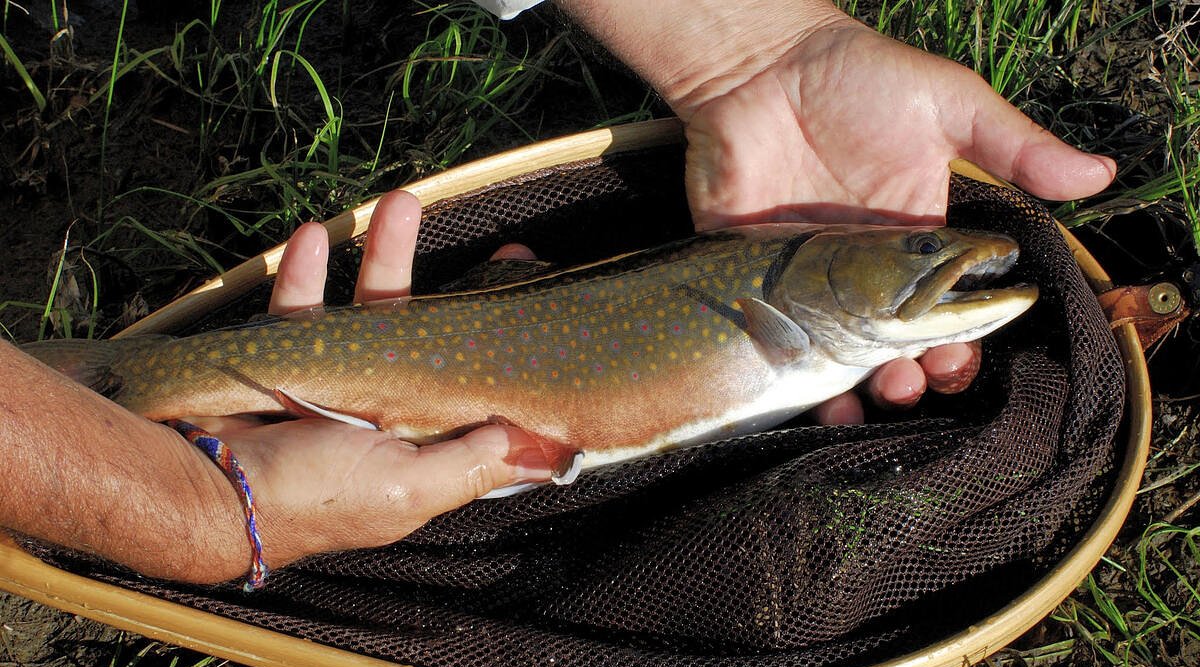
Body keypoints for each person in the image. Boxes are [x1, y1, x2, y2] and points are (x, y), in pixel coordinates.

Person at [0, 0, 1114, 586]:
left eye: (916, 249)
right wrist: (191, 514)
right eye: (919, 249)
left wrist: (753, 48)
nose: (942, 252)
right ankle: (121, 383)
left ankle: (111, 382)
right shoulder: (782, 296)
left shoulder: (794, 296)